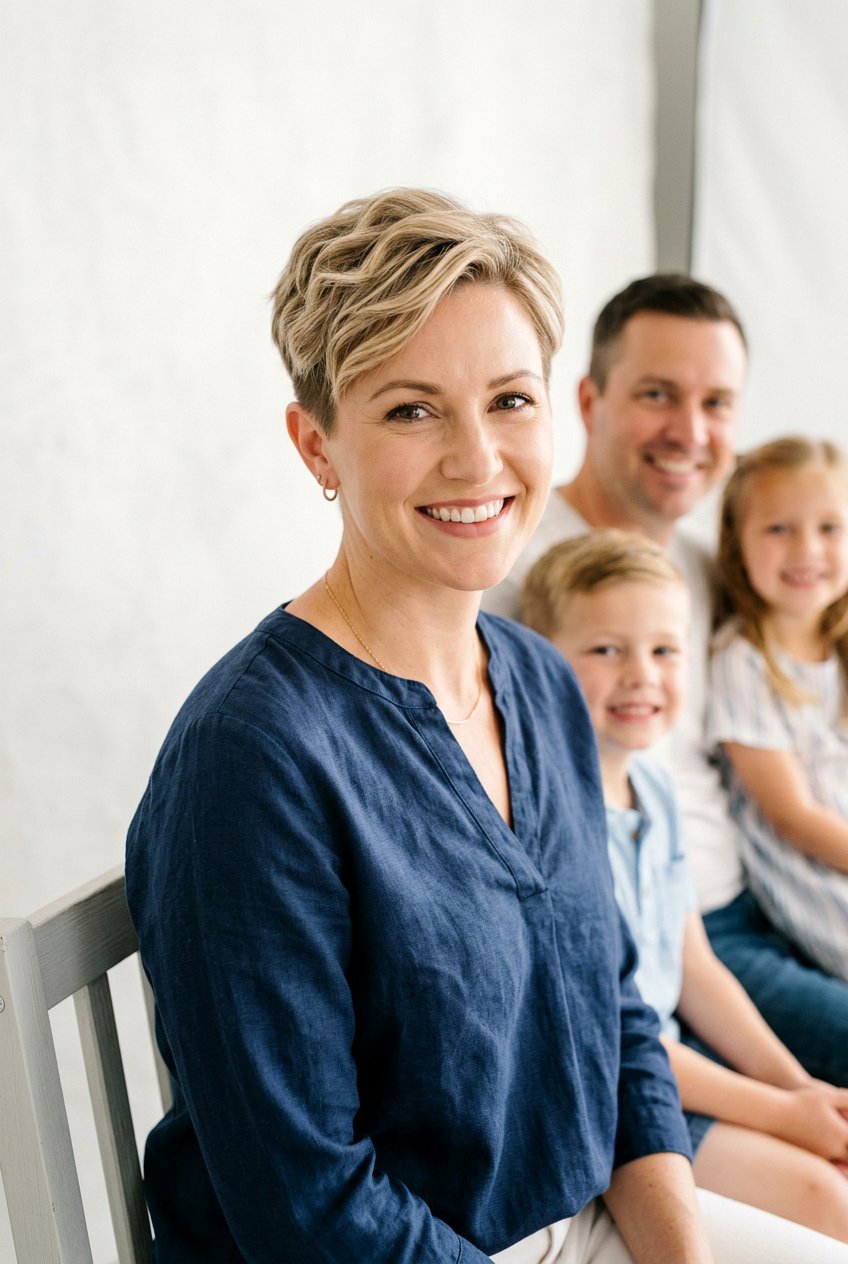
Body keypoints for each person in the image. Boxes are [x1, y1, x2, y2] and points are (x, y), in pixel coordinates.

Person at [126, 189, 721, 1264]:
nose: (476, 459)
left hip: (580, 1223)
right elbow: (310, 1212)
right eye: (410, 410)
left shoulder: (541, 680)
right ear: (316, 446)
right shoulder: (254, 757)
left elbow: (614, 1014)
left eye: (508, 400)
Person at [485, 274, 848, 1088]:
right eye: (658, 394)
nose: (689, 430)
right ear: (589, 400)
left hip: (770, 897)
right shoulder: (521, 579)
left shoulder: (711, 566)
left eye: (717, 403)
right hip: (680, 937)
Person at [521, 528, 848, 1242]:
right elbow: (612, 1036)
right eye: (606, 650)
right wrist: (782, 1114)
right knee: (829, 1200)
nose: (642, 674)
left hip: (673, 1064)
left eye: (664, 651)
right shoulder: (550, 818)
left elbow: (697, 968)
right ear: (538, 660)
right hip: (617, 1092)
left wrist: (800, 1089)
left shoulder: (656, 789)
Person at [709, 437, 848, 981]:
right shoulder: (742, 660)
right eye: (778, 529)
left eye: (829, 528)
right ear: (737, 544)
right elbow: (792, 818)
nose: (807, 550)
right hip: (821, 893)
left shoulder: (838, 651)